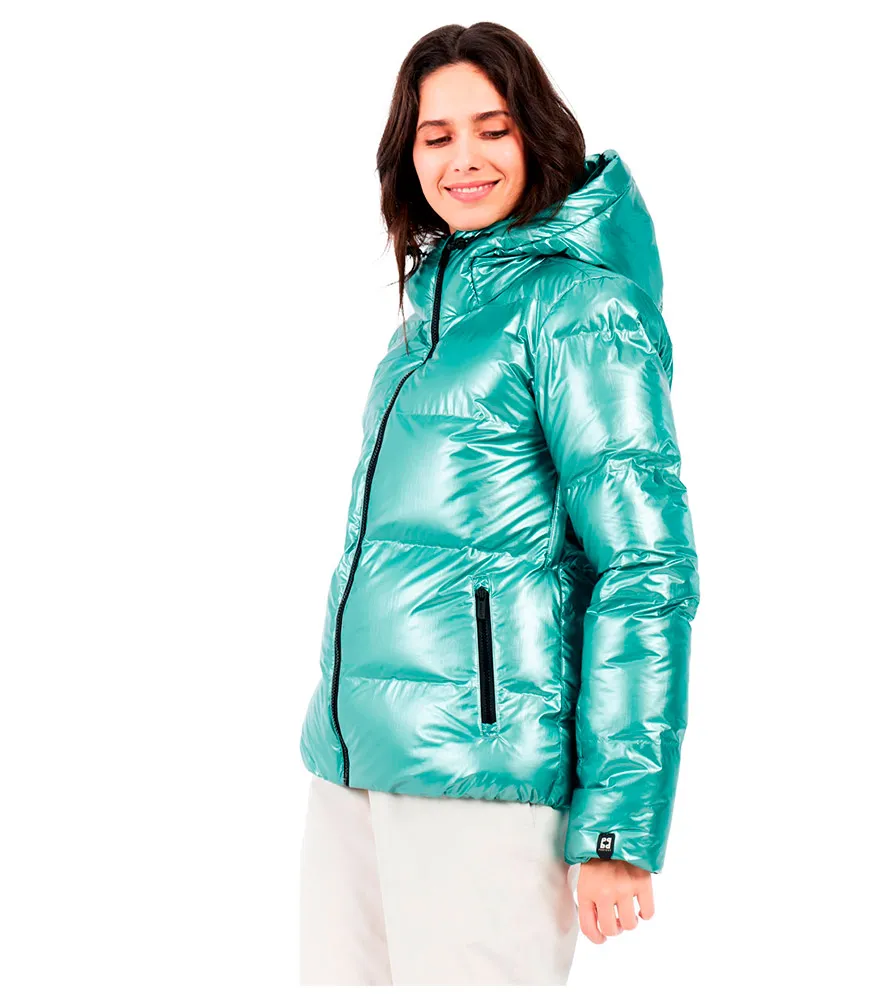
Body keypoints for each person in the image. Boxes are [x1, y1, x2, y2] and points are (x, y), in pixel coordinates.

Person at [298, 21, 700, 987]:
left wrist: (617, 823)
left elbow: (645, 566)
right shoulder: (432, 315)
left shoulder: (580, 309)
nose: (464, 159)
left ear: (537, 134)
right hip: (354, 767)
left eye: (493, 128)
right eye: (436, 136)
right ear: (407, 157)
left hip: (488, 775)